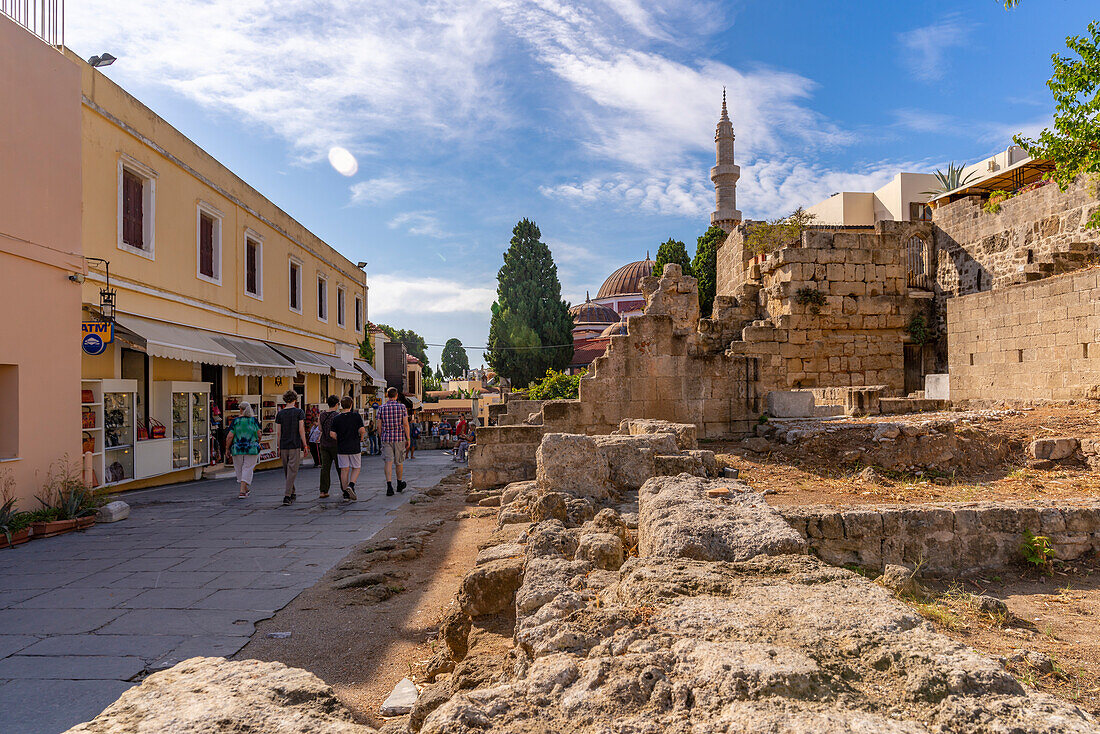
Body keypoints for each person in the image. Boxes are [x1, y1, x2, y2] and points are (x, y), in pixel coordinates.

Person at [275, 390, 308, 506]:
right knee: (292, 470)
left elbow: (278, 432)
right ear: (295, 399)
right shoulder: (299, 412)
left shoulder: (280, 414)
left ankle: (292, 492)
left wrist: (278, 447)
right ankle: (287, 495)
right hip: (294, 444)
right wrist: (305, 444)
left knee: (287, 470)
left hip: (283, 444)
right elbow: (301, 430)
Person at [330, 396, 366, 501]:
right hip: (354, 445)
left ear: (341, 405)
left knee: (344, 469)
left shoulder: (336, 418)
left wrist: (340, 438)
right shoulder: (356, 416)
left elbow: (332, 434)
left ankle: (345, 493)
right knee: (356, 467)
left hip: (342, 447)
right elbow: (362, 430)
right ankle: (351, 485)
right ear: (351, 405)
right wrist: (361, 438)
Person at [377, 386, 410, 496]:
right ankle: (399, 483)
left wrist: (382, 436)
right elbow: (405, 424)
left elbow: (379, 426)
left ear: (387, 395)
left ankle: (389, 486)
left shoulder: (381, 408)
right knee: (399, 462)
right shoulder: (402, 407)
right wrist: (408, 438)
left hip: (387, 437)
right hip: (399, 437)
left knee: (388, 462)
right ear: (396, 396)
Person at [225, 401, 261, 498]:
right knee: (247, 468)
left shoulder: (235, 421)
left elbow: (230, 436)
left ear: (240, 409)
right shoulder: (253, 420)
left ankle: (243, 490)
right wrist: (257, 442)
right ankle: (243, 490)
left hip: (237, 448)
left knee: (239, 468)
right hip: (251, 447)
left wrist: (227, 448)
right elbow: (259, 434)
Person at [317, 394, 340, 499]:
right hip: (335, 444)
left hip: (324, 443)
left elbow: (320, 429)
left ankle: (323, 491)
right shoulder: (337, 415)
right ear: (336, 404)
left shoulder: (322, 415)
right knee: (340, 467)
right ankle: (344, 489)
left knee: (325, 468)